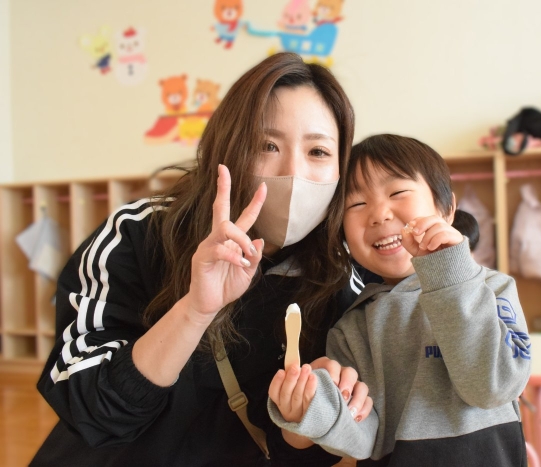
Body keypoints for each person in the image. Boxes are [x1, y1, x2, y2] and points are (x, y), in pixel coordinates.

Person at [31, 53, 373, 467]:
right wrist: (194, 311)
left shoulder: (339, 279)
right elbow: (89, 408)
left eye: (318, 151)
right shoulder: (139, 233)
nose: (293, 172)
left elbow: (297, 453)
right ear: (228, 147)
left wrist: (310, 414)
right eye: (267, 145)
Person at [267, 134, 532, 466]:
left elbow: (494, 387)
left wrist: (448, 274)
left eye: (397, 193)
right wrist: (316, 408)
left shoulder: (491, 288)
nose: (378, 214)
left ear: (447, 209)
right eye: (356, 204)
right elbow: (365, 439)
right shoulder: (352, 327)